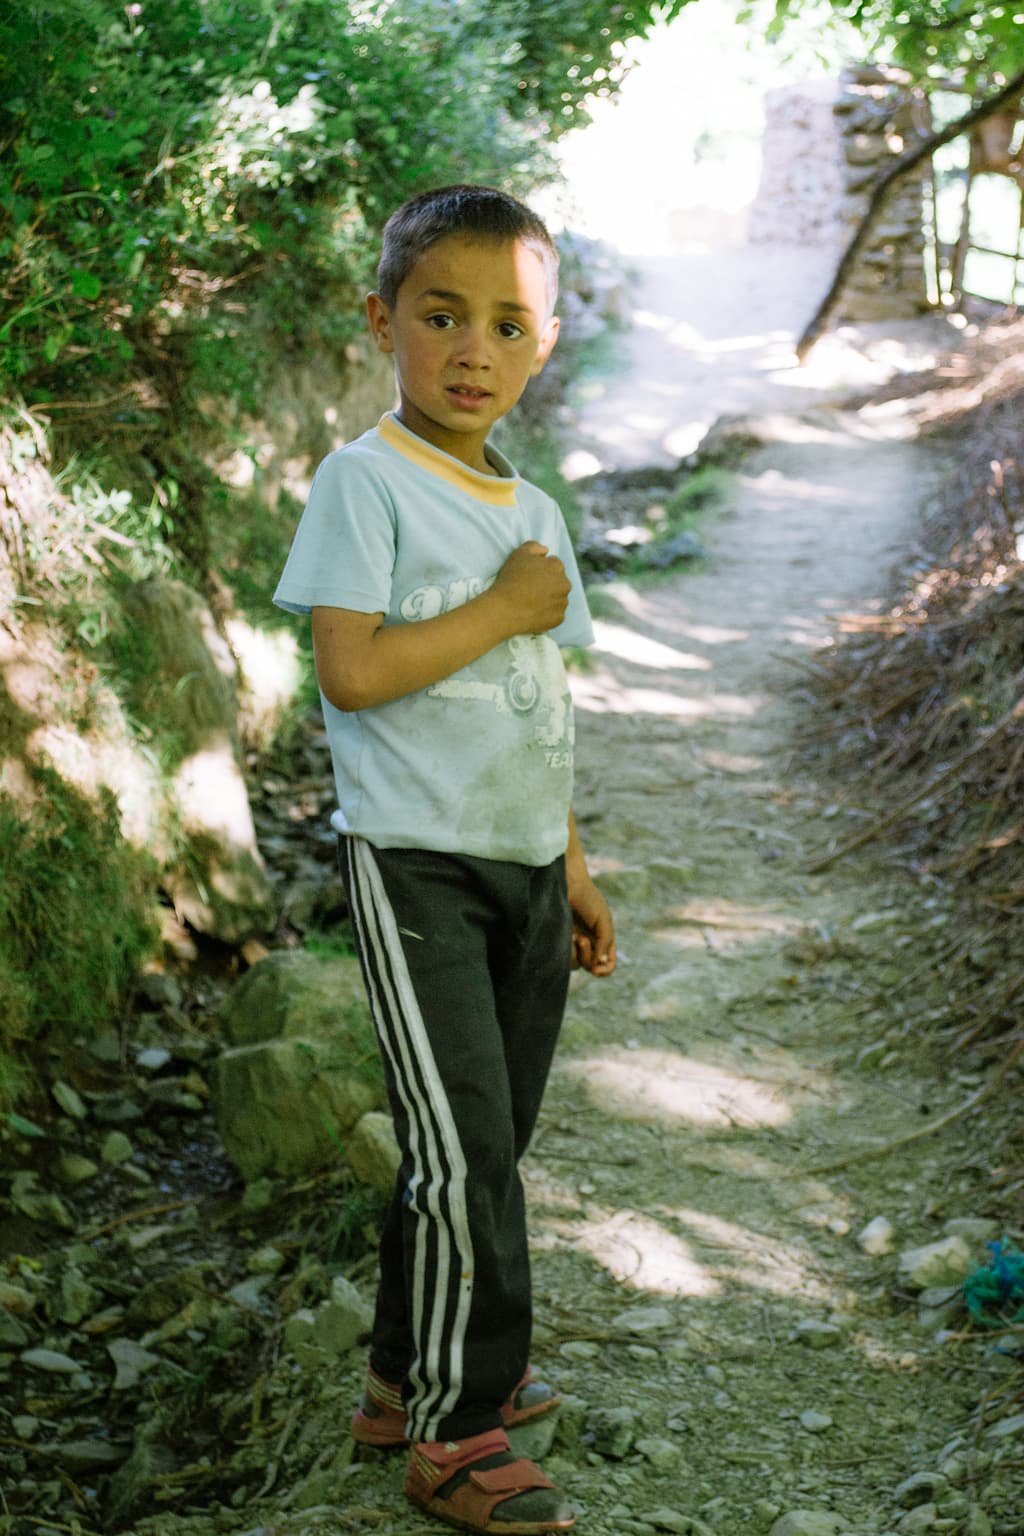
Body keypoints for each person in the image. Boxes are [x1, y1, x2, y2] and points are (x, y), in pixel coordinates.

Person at [274, 183, 616, 1536]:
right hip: (416, 864)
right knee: (464, 1149)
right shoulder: (365, 482)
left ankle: (400, 1377)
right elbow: (351, 674)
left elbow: (544, 702)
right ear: (382, 322)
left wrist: (575, 862)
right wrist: (499, 605)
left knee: (484, 1143)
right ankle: (455, 1431)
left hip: (525, 862)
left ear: (540, 351)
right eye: (442, 315)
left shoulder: (532, 511)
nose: (474, 348)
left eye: (508, 325)